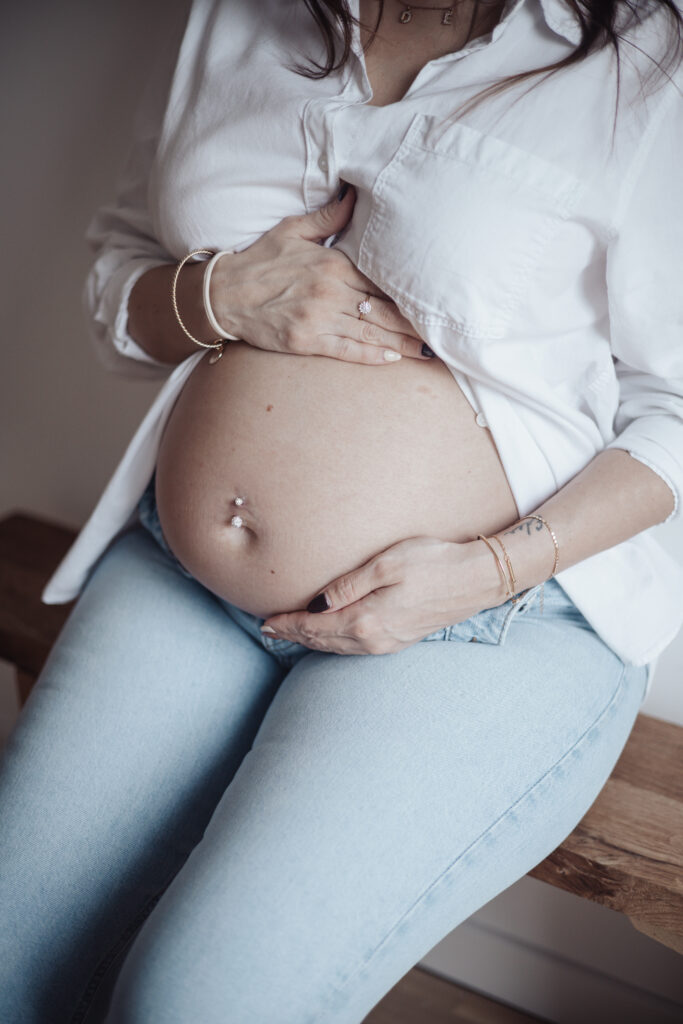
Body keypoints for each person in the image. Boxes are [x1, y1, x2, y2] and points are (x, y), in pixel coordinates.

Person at [1, 0, 682, 1020]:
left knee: (188, 1003)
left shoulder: (645, 60)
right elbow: (124, 256)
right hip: (184, 576)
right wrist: (215, 297)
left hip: (481, 621)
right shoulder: (232, 16)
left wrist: (491, 569)